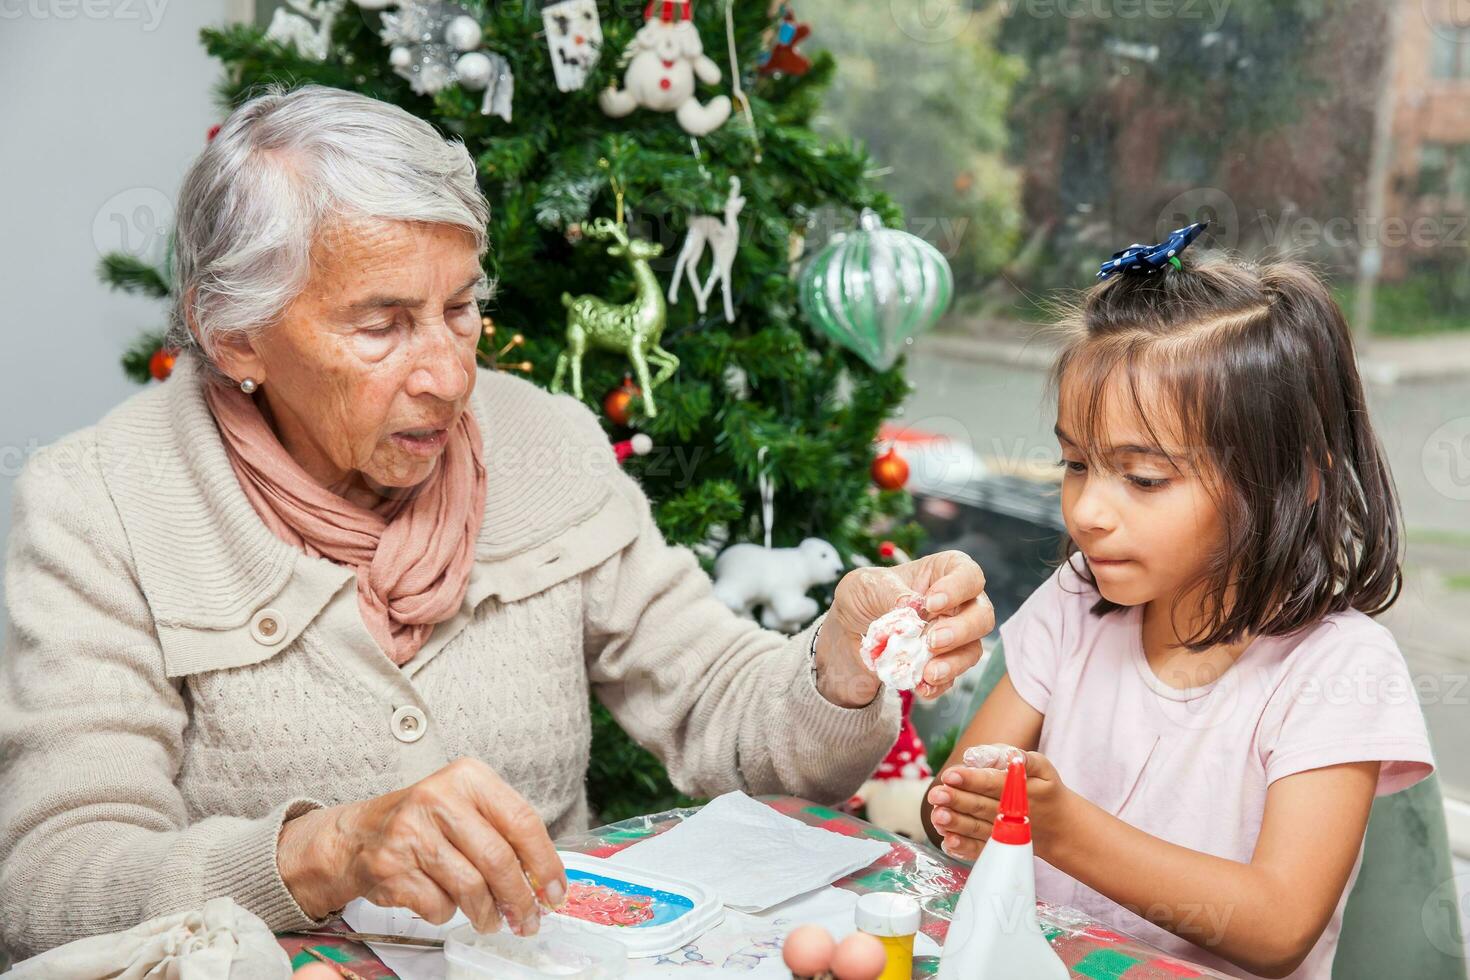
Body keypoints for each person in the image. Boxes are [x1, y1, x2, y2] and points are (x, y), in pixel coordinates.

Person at [0, 85, 997, 961]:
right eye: (381, 324)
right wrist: (329, 849)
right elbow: (51, 879)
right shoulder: (103, 500)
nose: (449, 373)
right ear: (235, 335)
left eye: (462, 306)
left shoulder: (547, 441)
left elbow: (718, 707)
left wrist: (838, 660)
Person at [920, 227, 1435, 980]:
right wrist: (963, 804)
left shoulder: (1337, 667)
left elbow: (1278, 925)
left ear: (1295, 479)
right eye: (1075, 463)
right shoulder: (1076, 601)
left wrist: (1063, 830)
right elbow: (961, 803)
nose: (1088, 510)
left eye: (1144, 478)